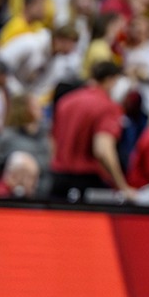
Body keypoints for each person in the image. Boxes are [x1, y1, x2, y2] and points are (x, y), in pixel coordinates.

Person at [49, 60, 132, 200]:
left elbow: (52, 141)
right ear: (110, 80)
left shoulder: (65, 102)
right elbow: (103, 150)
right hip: (88, 184)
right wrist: (122, 186)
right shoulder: (108, 107)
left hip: (58, 179)